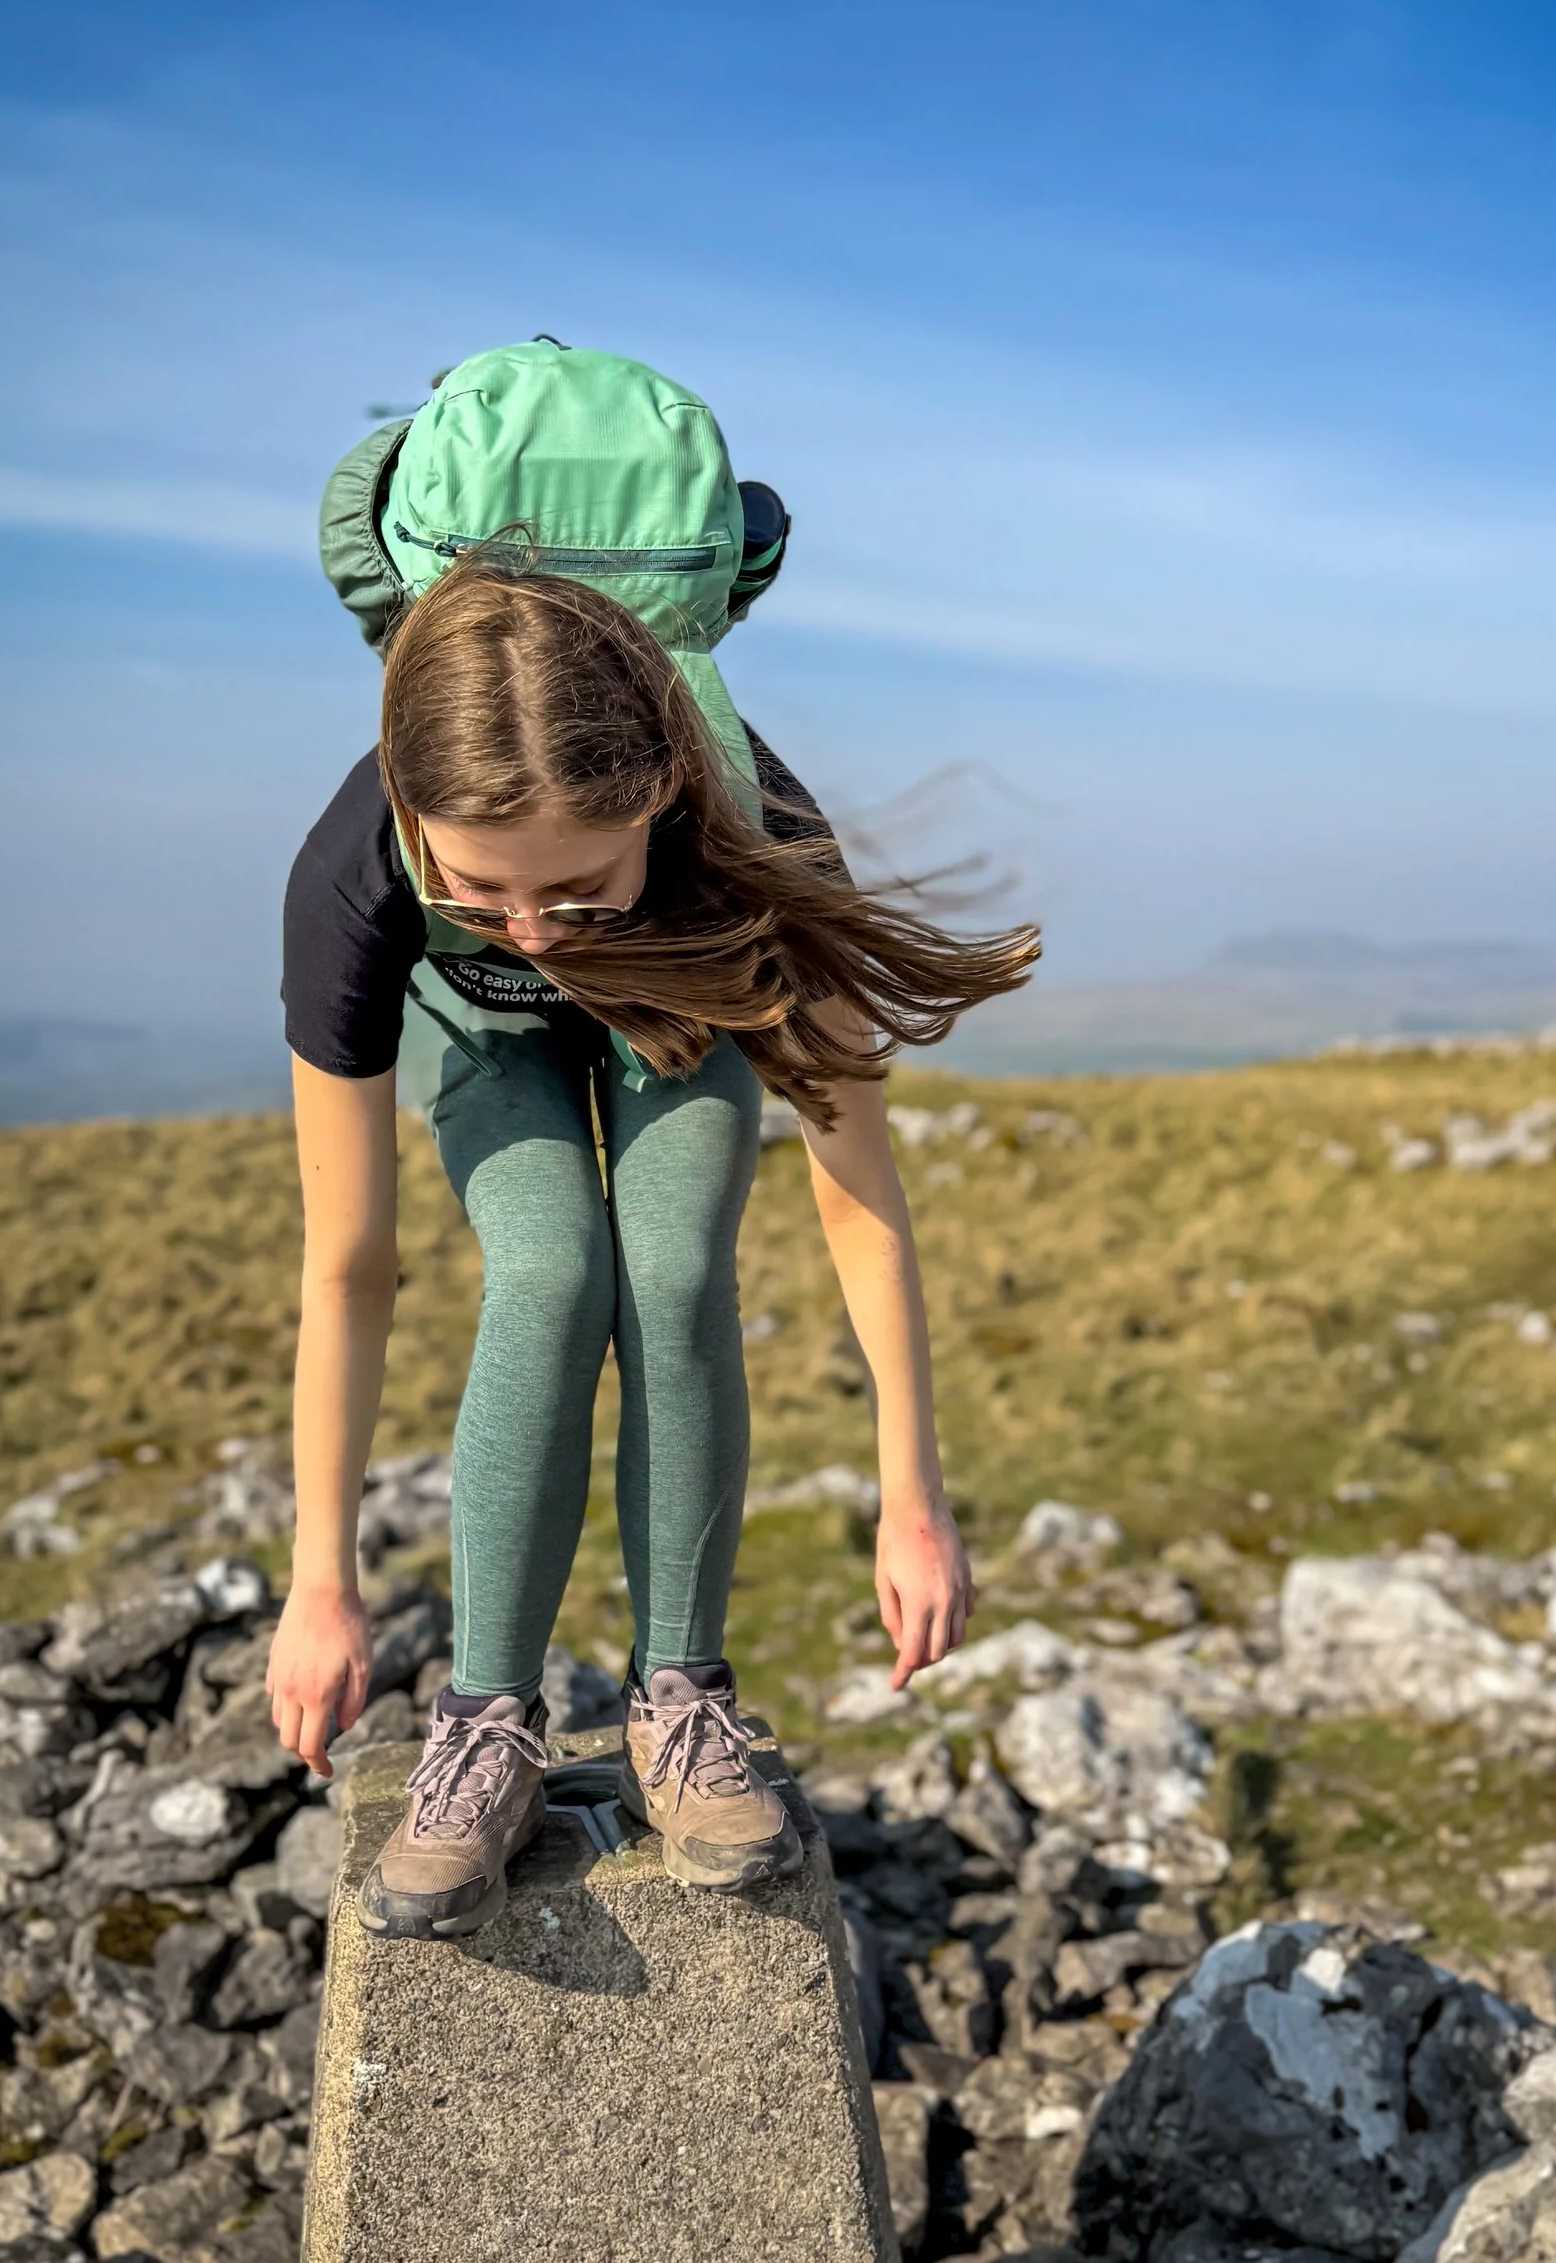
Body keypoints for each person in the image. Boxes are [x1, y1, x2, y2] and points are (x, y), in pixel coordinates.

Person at [264, 344, 1036, 1933]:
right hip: (479, 1059)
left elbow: (858, 1193)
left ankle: (684, 1696)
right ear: (415, 822)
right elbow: (347, 1265)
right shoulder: (350, 875)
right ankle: (487, 1723)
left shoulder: (754, 833)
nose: (535, 932)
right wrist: (318, 1581)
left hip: (682, 1014)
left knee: (674, 1262)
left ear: (665, 797)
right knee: (546, 1272)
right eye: (479, 896)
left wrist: (915, 1494)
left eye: (582, 891)